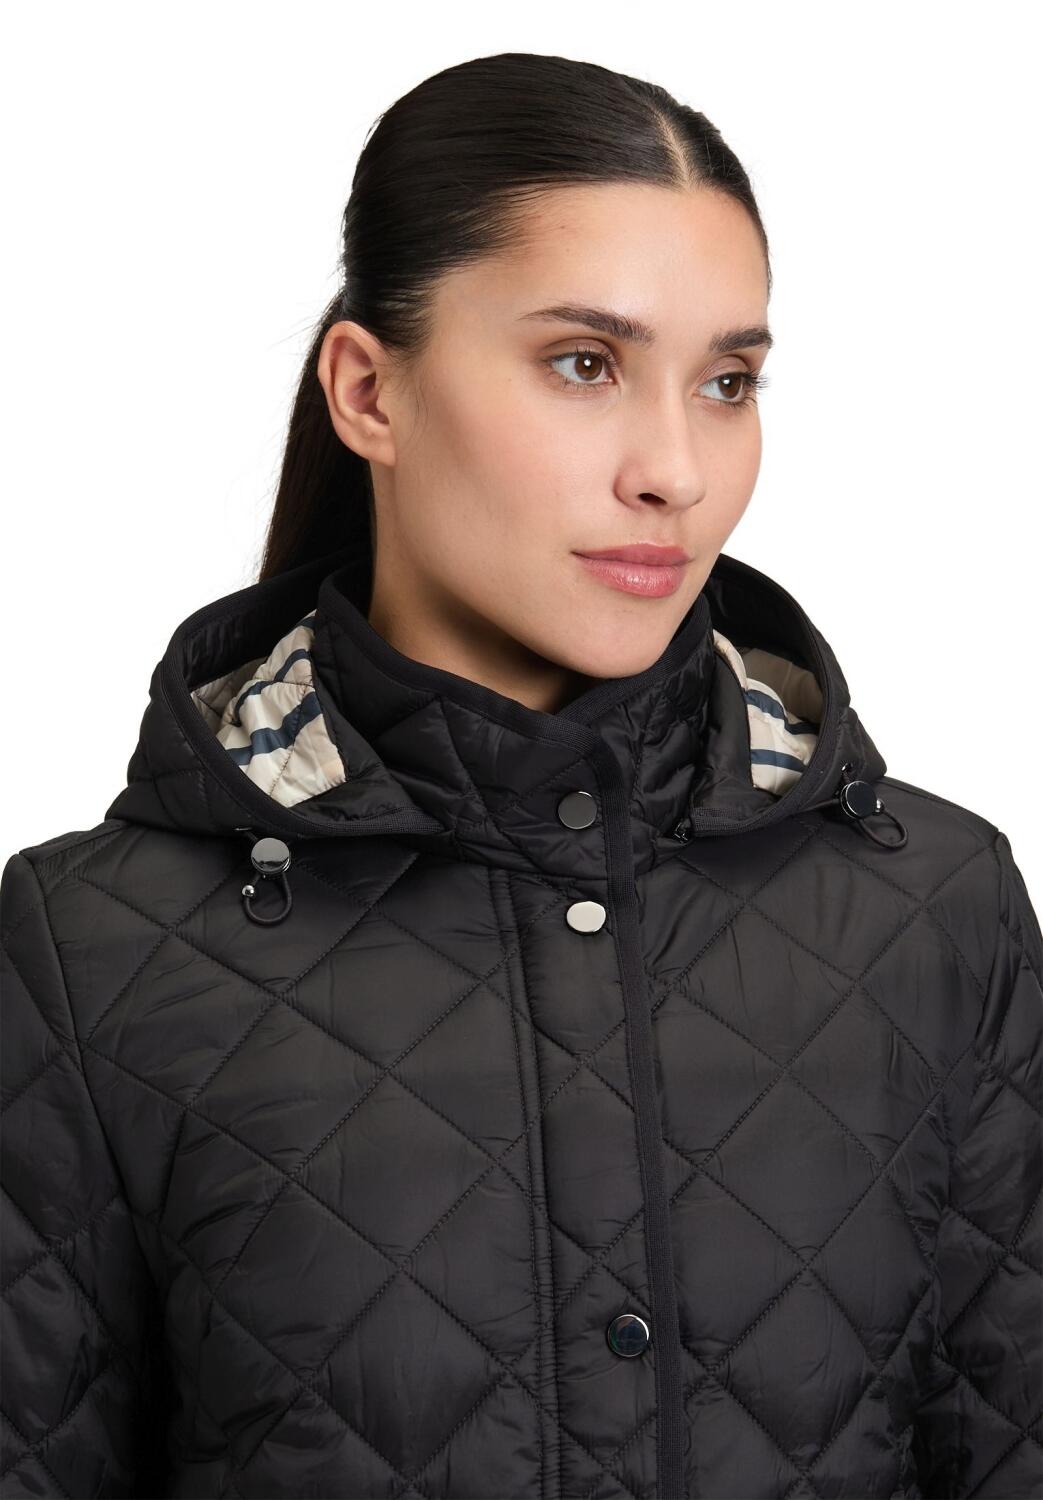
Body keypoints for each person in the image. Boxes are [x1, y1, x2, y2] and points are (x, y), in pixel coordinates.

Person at [1, 50, 1040, 1500]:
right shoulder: (91, 952)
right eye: (584, 364)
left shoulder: (938, 911)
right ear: (370, 391)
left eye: (727, 382)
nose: (677, 470)